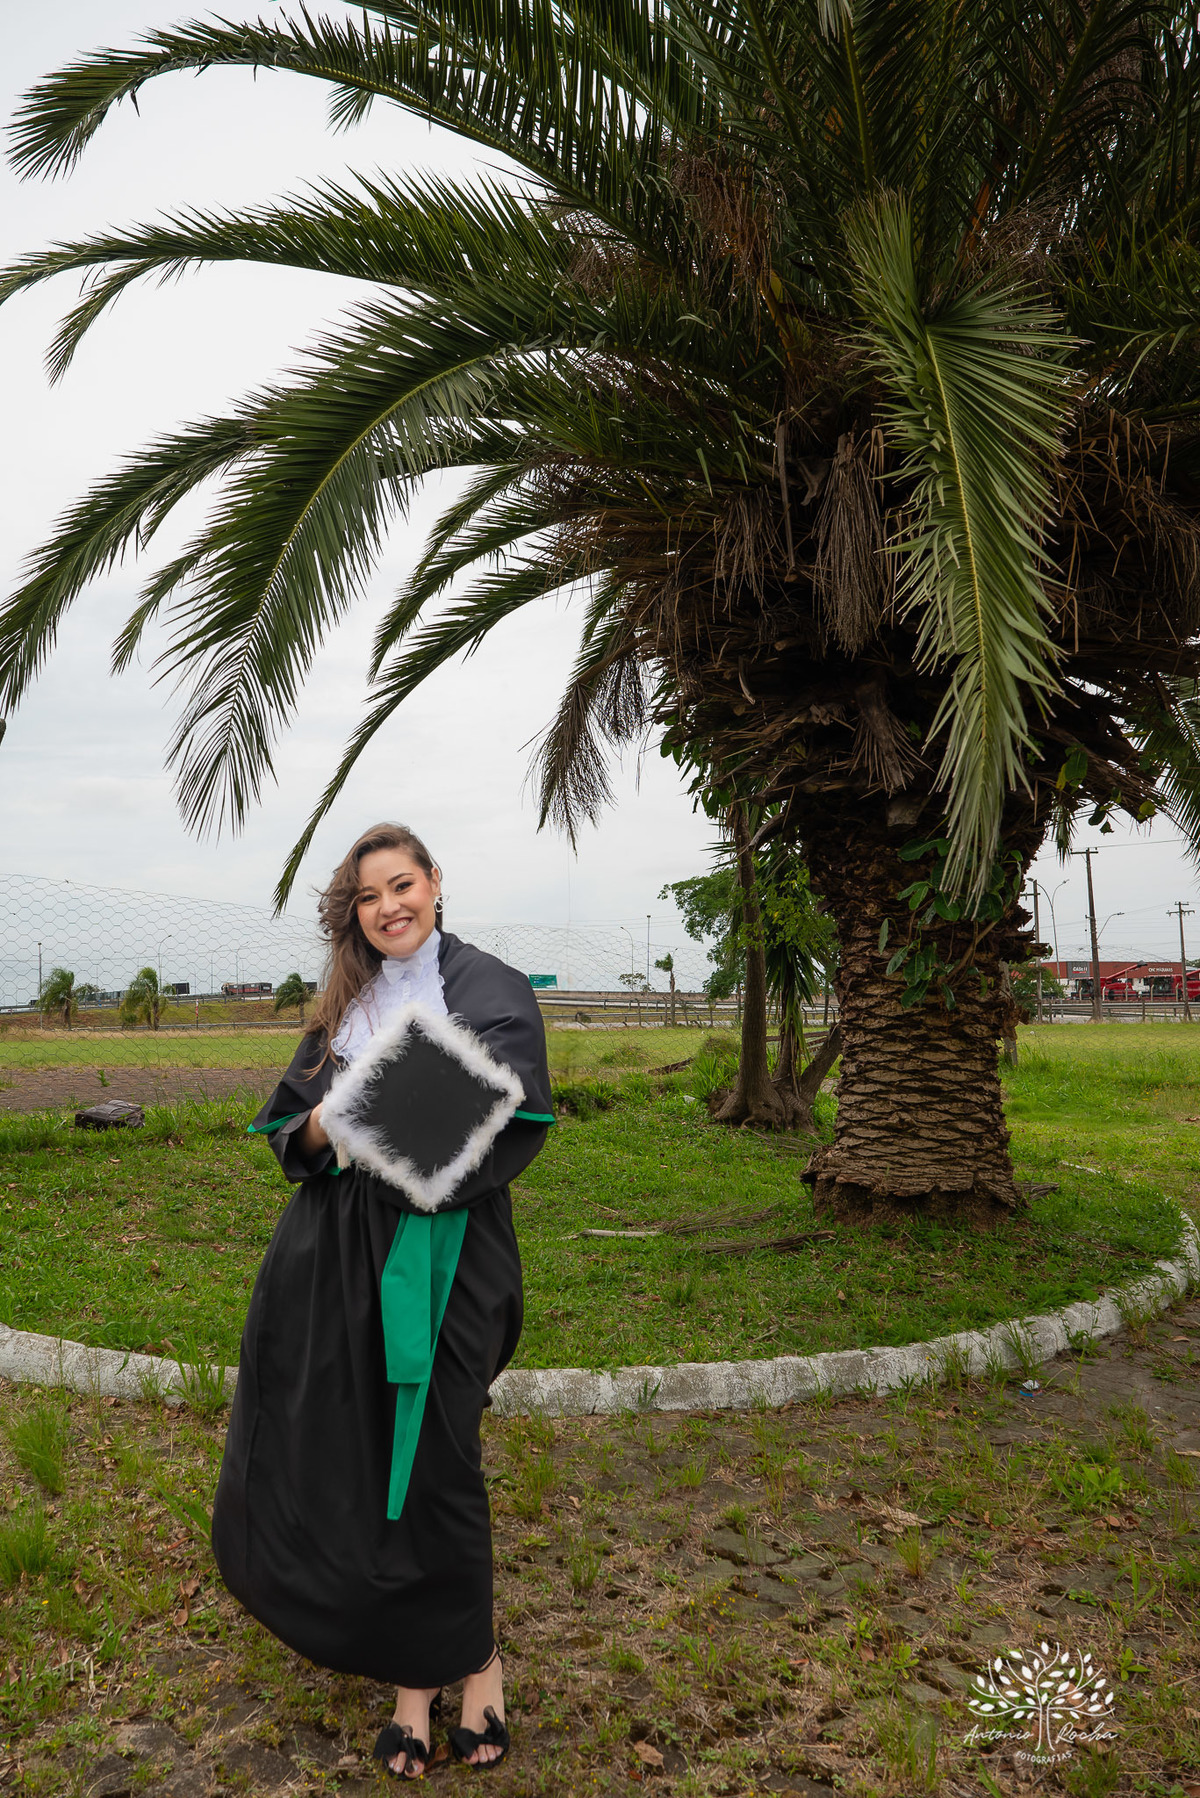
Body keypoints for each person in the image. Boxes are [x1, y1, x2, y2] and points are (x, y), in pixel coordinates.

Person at [211, 823, 554, 1777]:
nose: (389, 907)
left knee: (437, 1458)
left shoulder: (490, 987)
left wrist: (365, 1111)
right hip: (331, 1260)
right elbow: (292, 1130)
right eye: (369, 897)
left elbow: (498, 1106)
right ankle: (415, 1680)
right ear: (353, 913)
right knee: (363, 1458)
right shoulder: (346, 1004)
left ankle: (476, 1666)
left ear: (436, 883)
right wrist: (330, 1119)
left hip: (442, 1256)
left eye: (402, 885)